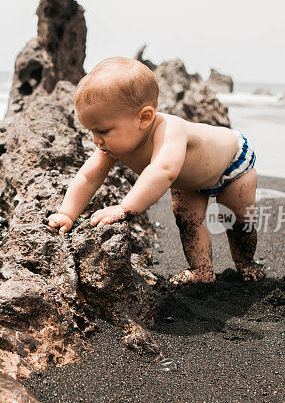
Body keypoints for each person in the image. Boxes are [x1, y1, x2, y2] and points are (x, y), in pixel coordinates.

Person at [47, 57, 265, 284]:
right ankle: (202, 271)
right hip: (189, 181)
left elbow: (163, 171)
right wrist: (67, 213)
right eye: (91, 131)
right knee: (187, 220)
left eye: (103, 131)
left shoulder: (170, 130)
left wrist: (124, 208)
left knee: (237, 219)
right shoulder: (111, 144)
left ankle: (245, 262)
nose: (96, 140)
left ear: (144, 117)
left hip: (232, 164)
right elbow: (88, 176)